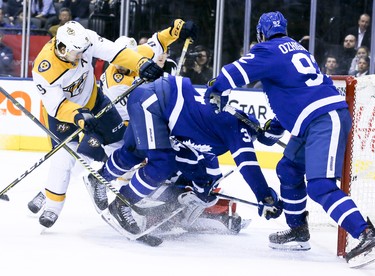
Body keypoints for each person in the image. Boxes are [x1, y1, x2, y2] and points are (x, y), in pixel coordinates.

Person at [204, 11, 375, 266]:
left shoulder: (267, 50)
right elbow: (296, 93)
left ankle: (365, 234)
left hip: (323, 120)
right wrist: (273, 128)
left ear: (261, 34)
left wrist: (215, 89)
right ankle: (298, 231)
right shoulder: (298, 49)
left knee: (319, 186)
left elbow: (231, 74)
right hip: (316, 117)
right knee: (288, 167)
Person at [27, 19, 198, 228]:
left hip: (95, 101)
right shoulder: (45, 69)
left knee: (123, 149)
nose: (81, 57)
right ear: (62, 48)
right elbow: (56, 106)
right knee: (65, 160)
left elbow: (116, 51)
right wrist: (79, 116)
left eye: (82, 52)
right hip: (64, 114)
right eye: (76, 53)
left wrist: (143, 62)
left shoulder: (85, 40)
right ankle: (52, 205)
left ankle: (121, 190)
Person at [84, 74, 283, 237]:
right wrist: (264, 196)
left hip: (151, 99)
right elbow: (249, 167)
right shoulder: (238, 130)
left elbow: (188, 155)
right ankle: (122, 204)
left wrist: (201, 184)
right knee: (162, 164)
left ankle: (99, 179)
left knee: (134, 151)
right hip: (153, 103)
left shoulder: (220, 126)